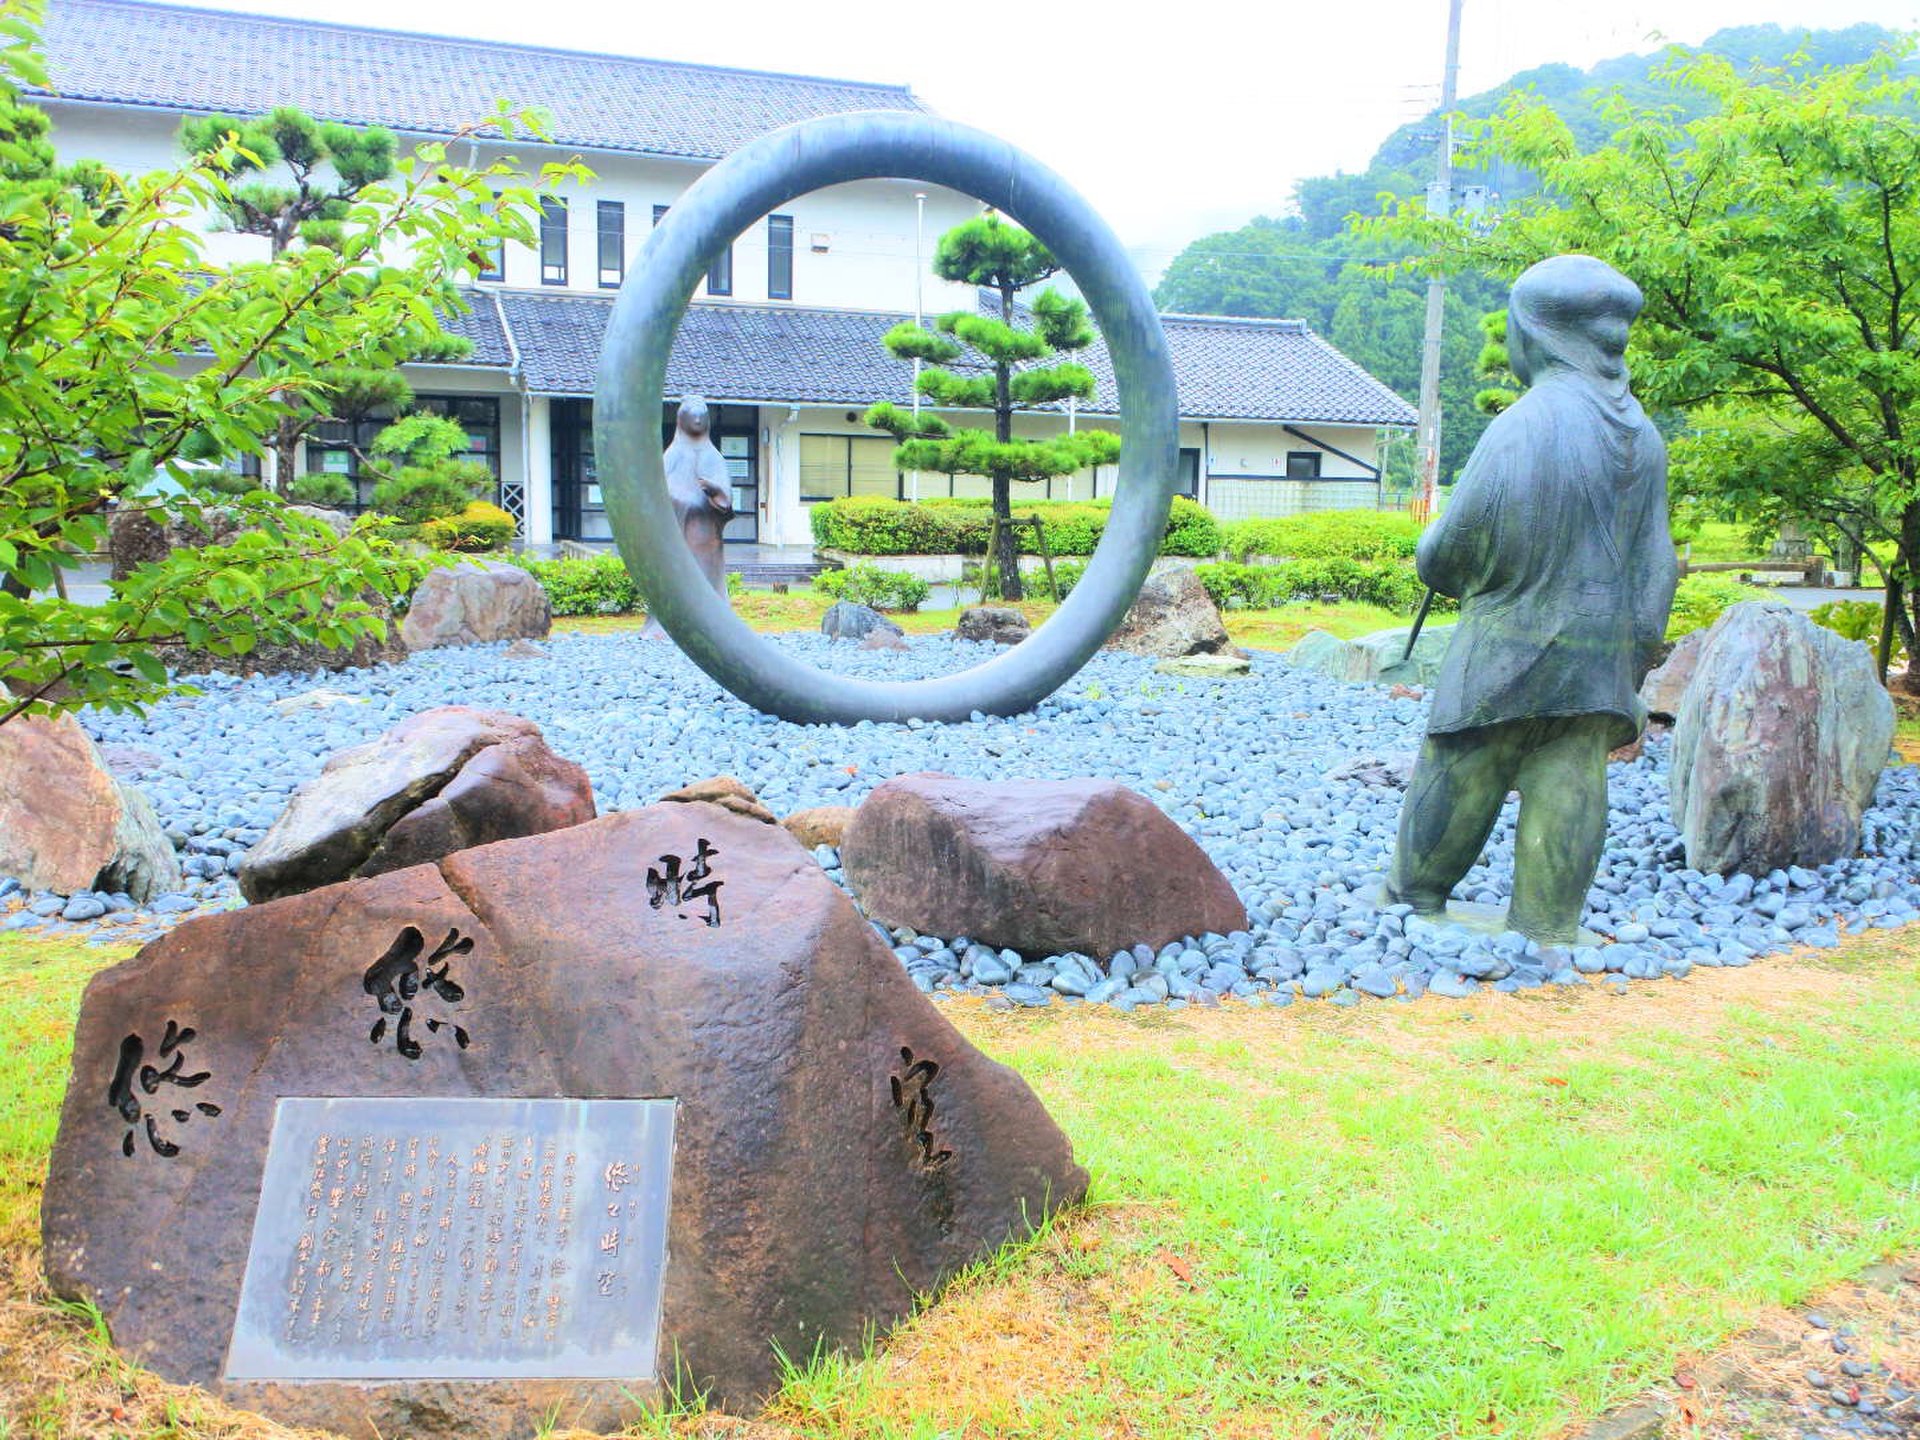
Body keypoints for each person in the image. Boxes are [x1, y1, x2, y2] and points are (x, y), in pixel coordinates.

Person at [1384, 254, 1678, 944]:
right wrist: (1634, 652)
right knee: (1571, 773)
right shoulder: (1644, 436)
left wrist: (1432, 556)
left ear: (1534, 333)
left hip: (1508, 640)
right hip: (1601, 651)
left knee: (1463, 765)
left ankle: (1415, 896)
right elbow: (1658, 562)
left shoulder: (1524, 424)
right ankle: (1548, 921)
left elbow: (1453, 547)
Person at [643, 396, 735, 640]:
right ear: (681, 421)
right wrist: (681, 497)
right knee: (675, 578)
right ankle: (666, 624)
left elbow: (726, 498)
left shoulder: (713, 456)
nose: (697, 420)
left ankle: (714, 625)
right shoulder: (672, 454)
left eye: (701, 417)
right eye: (692, 416)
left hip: (705, 536)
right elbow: (658, 491)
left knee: (707, 579)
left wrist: (715, 491)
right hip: (677, 532)